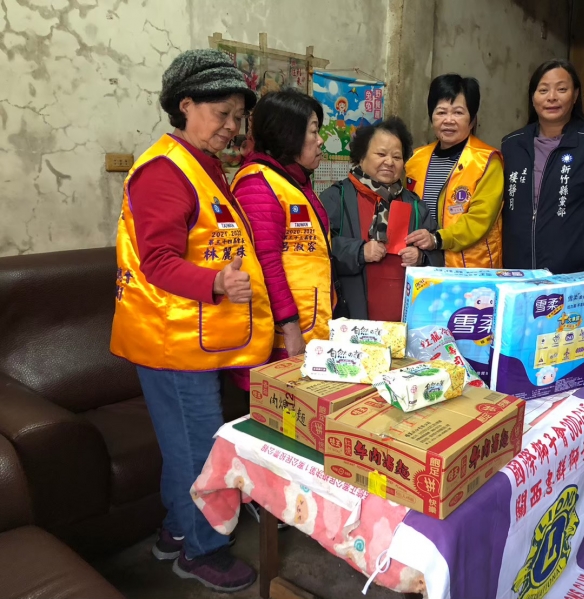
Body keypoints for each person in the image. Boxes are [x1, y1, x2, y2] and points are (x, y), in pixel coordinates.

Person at [110, 49, 270, 593]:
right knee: (201, 451)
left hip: (195, 339)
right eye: (222, 114)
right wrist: (217, 283)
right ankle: (202, 552)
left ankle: (176, 532)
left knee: (184, 447)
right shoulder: (164, 171)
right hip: (170, 342)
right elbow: (156, 261)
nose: (231, 127)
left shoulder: (202, 165)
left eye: (237, 118)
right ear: (185, 105)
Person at [230, 89, 332, 384]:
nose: (320, 140)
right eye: (313, 131)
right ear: (289, 135)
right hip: (283, 338)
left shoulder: (294, 181)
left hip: (308, 328)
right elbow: (266, 264)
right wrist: (290, 329)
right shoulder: (258, 184)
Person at [501, 59, 584, 274]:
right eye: (543, 90)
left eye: (561, 89)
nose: (551, 97)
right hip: (517, 272)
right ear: (532, 97)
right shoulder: (512, 144)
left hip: (574, 274)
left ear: (575, 95)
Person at [321, 117, 442, 321]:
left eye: (397, 156)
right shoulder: (336, 197)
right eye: (381, 154)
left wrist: (421, 257)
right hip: (351, 319)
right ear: (361, 157)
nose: (389, 162)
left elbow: (439, 253)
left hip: (404, 320)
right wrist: (359, 251)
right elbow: (318, 250)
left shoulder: (414, 204)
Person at [404, 74, 504, 269]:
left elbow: (479, 220)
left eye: (458, 113)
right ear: (431, 117)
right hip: (424, 264)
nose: (448, 120)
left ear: (472, 120)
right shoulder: (415, 159)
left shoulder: (486, 161)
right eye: (441, 112)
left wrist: (437, 239)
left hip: (470, 270)